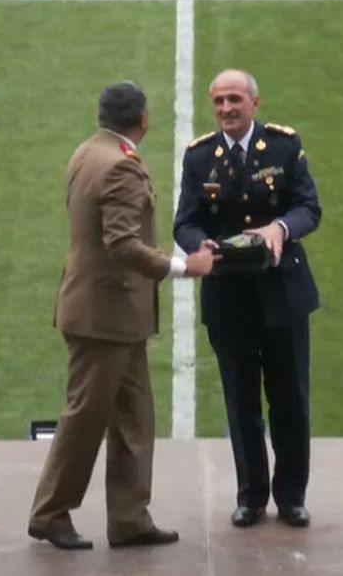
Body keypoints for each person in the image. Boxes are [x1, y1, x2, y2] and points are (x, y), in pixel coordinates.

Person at [28, 81, 217, 551]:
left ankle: (130, 518)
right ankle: (50, 512)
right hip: (105, 319)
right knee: (86, 416)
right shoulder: (120, 168)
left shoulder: (88, 152)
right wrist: (183, 266)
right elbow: (122, 244)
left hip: (105, 315)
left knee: (135, 415)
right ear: (143, 120)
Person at [173, 69, 322, 529]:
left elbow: (308, 208)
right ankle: (251, 496)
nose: (226, 109)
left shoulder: (282, 146)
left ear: (255, 104)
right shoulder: (200, 156)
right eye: (218, 101)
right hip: (229, 297)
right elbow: (185, 221)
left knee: (290, 400)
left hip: (282, 296)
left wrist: (280, 228)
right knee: (241, 402)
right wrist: (202, 245)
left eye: (234, 99)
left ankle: (292, 496)